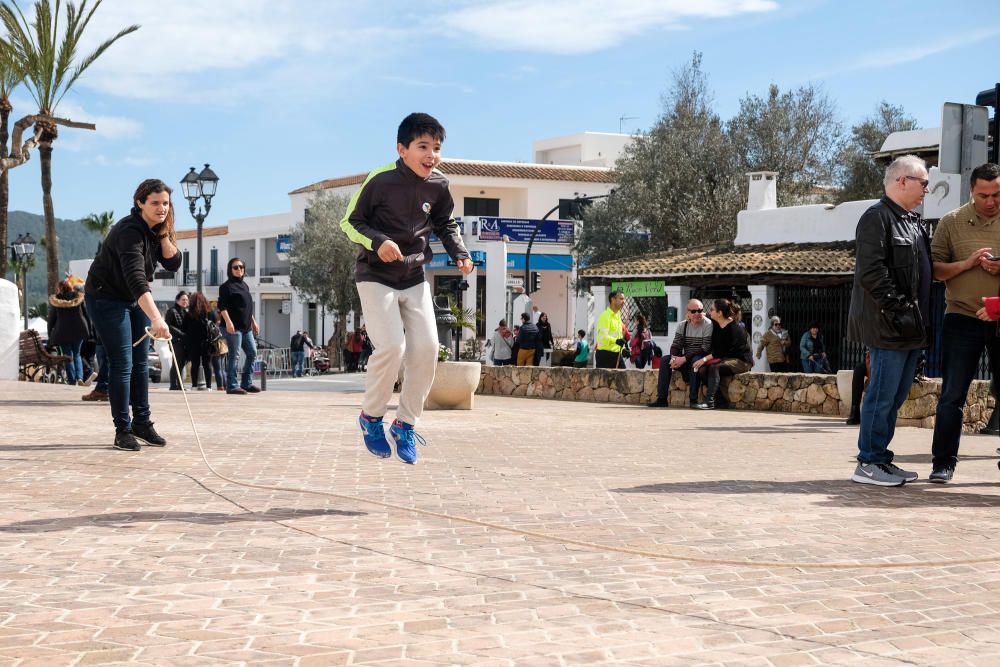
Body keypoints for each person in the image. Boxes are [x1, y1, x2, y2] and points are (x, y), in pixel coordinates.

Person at [339, 112, 472, 465]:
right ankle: (371, 417)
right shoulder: (380, 180)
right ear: (402, 149)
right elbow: (350, 222)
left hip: (413, 277)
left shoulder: (439, 185)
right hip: (375, 275)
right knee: (392, 346)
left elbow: (445, 223)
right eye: (423, 147)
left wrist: (460, 253)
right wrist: (378, 241)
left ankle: (405, 423)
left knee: (428, 348)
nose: (432, 155)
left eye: (437, 148)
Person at [847, 155, 930, 487]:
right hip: (888, 327)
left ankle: (880, 458)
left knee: (894, 397)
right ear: (902, 181)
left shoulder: (912, 221)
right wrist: (900, 309)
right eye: (922, 182)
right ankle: (868, 462)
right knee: (882, 394)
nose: (927, 188)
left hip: (910, 328)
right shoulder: (876, 218)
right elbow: (871, 273)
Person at [83, 178, 180, 451]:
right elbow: (137, 279)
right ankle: (122, 430)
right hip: (106, 298)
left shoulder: (154, 230)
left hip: (131, 299)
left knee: (140, 363)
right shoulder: (129, 231)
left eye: (166, 203)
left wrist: (163, 233)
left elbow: (172, 262)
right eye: (155, 203)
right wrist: (157, 318)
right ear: (140, 203)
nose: (162, 208)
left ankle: (142, 423)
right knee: (122, 363)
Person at [929, 162, 1000, 483]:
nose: (991, 201)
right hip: (961, 317)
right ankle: (943, 464)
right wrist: (968, 263)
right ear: (972, 191)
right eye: (984, 195)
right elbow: (934, 270)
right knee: (953, 395)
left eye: (997, 194)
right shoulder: (951, 222)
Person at [647, 299, 712, 408]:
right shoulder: (683, 325)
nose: (697, 314)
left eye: (699, 310)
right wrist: (673, 358)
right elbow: (676, 345)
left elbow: (705, 348)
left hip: (698, 359)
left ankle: (693, 400)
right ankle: (662, 399)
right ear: (688, 313)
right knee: (665, 360)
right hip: (686, 358)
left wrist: (684, 358)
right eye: (693, 311)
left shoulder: (708, 324)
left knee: (695, 360)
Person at [692, 299, 752, 409]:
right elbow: (704, 318)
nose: (710, 312)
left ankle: (709, 401)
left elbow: (721, 352)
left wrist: (703, 359)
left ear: (719, 313)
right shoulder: (717, 324)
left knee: (714, 368)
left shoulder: (734, 328)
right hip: (726, 359)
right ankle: (720, 401)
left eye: (712, 309)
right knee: (703, 370)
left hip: (742, 361)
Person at [218, 257, 261, 395]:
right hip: (233, 327)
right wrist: (229, 322)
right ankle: (231, 385)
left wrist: (253, 321)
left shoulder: (245, 285)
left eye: (241, 267)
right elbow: (222, 307)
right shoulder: (226, 287)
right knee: (234, 355)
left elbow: (246, 307)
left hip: (246, 327)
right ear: (230, 270)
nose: (239, 270)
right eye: (235, 267)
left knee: (252, 353)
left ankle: (246, 383)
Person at [46, 279, 90, 385]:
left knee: (68, 356)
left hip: (62, 333)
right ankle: (79, 377)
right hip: (79, 330)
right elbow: (86, 315)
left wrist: (50, 335)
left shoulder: (56, 301)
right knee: (77, 354)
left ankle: (71, 380)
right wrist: (89, 330)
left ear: (60, 289)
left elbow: (51, 320)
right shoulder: (78, 298)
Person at [182, 292, 214, 390]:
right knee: (207, 364)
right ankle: (209, 386)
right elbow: (215, 325)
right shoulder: (209, 313)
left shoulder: (189, 314)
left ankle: (194, 385)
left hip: (193, 343)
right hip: (207, 342)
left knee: (195, 364)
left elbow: (183, 328)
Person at [594, 290, 626, 369]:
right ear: (613, 299)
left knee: (624, 379)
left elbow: (618, 335)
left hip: (617, 354)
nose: (624, 301)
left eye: (624, 299)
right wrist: (616, 341)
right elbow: (602, 337)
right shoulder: (605, 316)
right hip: (605, 355)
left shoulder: (618, 315)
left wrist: (624, 349)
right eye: (621, 299)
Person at [164, 291, 188, 389]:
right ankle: (174, 385)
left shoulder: (185, 311)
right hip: (175, 341)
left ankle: (179, 385)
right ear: (177, 300)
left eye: (186, 300)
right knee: (177, 363)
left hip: (183, 341)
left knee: (181, 363)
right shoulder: (171, 311)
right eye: (183, 299)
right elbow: (168, 326)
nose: (185, 301)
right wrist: (182, 334)